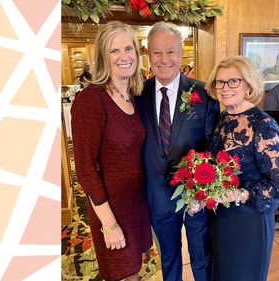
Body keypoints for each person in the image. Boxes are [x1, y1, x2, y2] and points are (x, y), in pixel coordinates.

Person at [136, 21, 220, 281]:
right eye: (157, 52)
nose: (164, 60)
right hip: (157, 195)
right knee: (169, 257)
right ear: (148, 55)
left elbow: (212, 146)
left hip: (195, 194)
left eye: (170, 52)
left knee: (200, 255)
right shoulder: (137, 94)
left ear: (181, 53)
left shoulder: (204, 93)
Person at [71, 21, 152, 281]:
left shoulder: (134, 96)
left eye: (128, 48)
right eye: (114, 51)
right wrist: (109, 224)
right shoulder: (91, 101)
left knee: (135, 272)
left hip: (136, 204)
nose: (123, 56)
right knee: (122, 274)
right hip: (111, 209)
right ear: (103, 57)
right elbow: (85, 170)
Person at [205, 55, 279, 281]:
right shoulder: (223, 118)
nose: (225, 88)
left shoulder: (263, 124)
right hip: (222, 216)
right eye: (220, 82)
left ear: (248, 84)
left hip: (250, 219)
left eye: (233, 81)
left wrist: (242, 193)